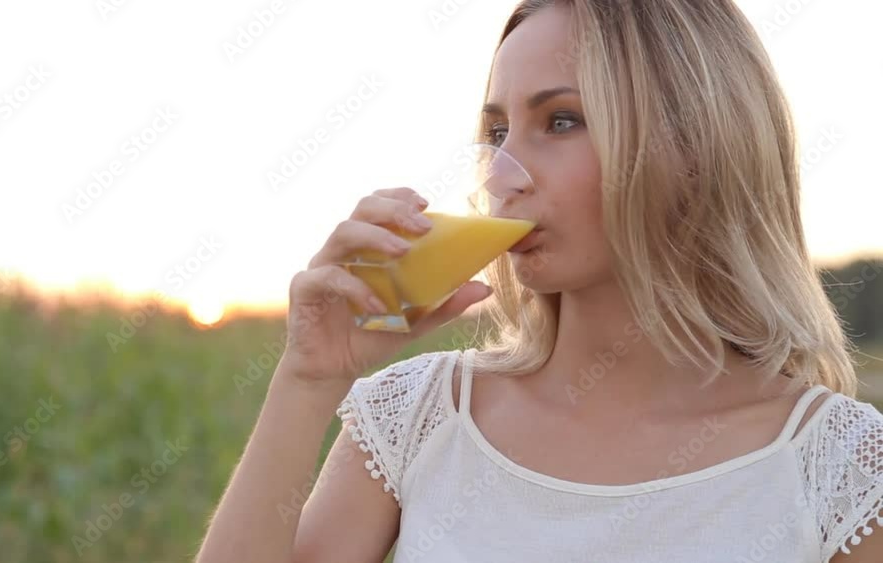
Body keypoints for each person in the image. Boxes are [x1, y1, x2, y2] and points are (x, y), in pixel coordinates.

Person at [195, 1, 883, 561]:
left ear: (696, 149)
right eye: (496, 132)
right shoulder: (419, 416)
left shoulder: (838, 465)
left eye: (560, 120)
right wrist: (307, 378)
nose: (500, 175)